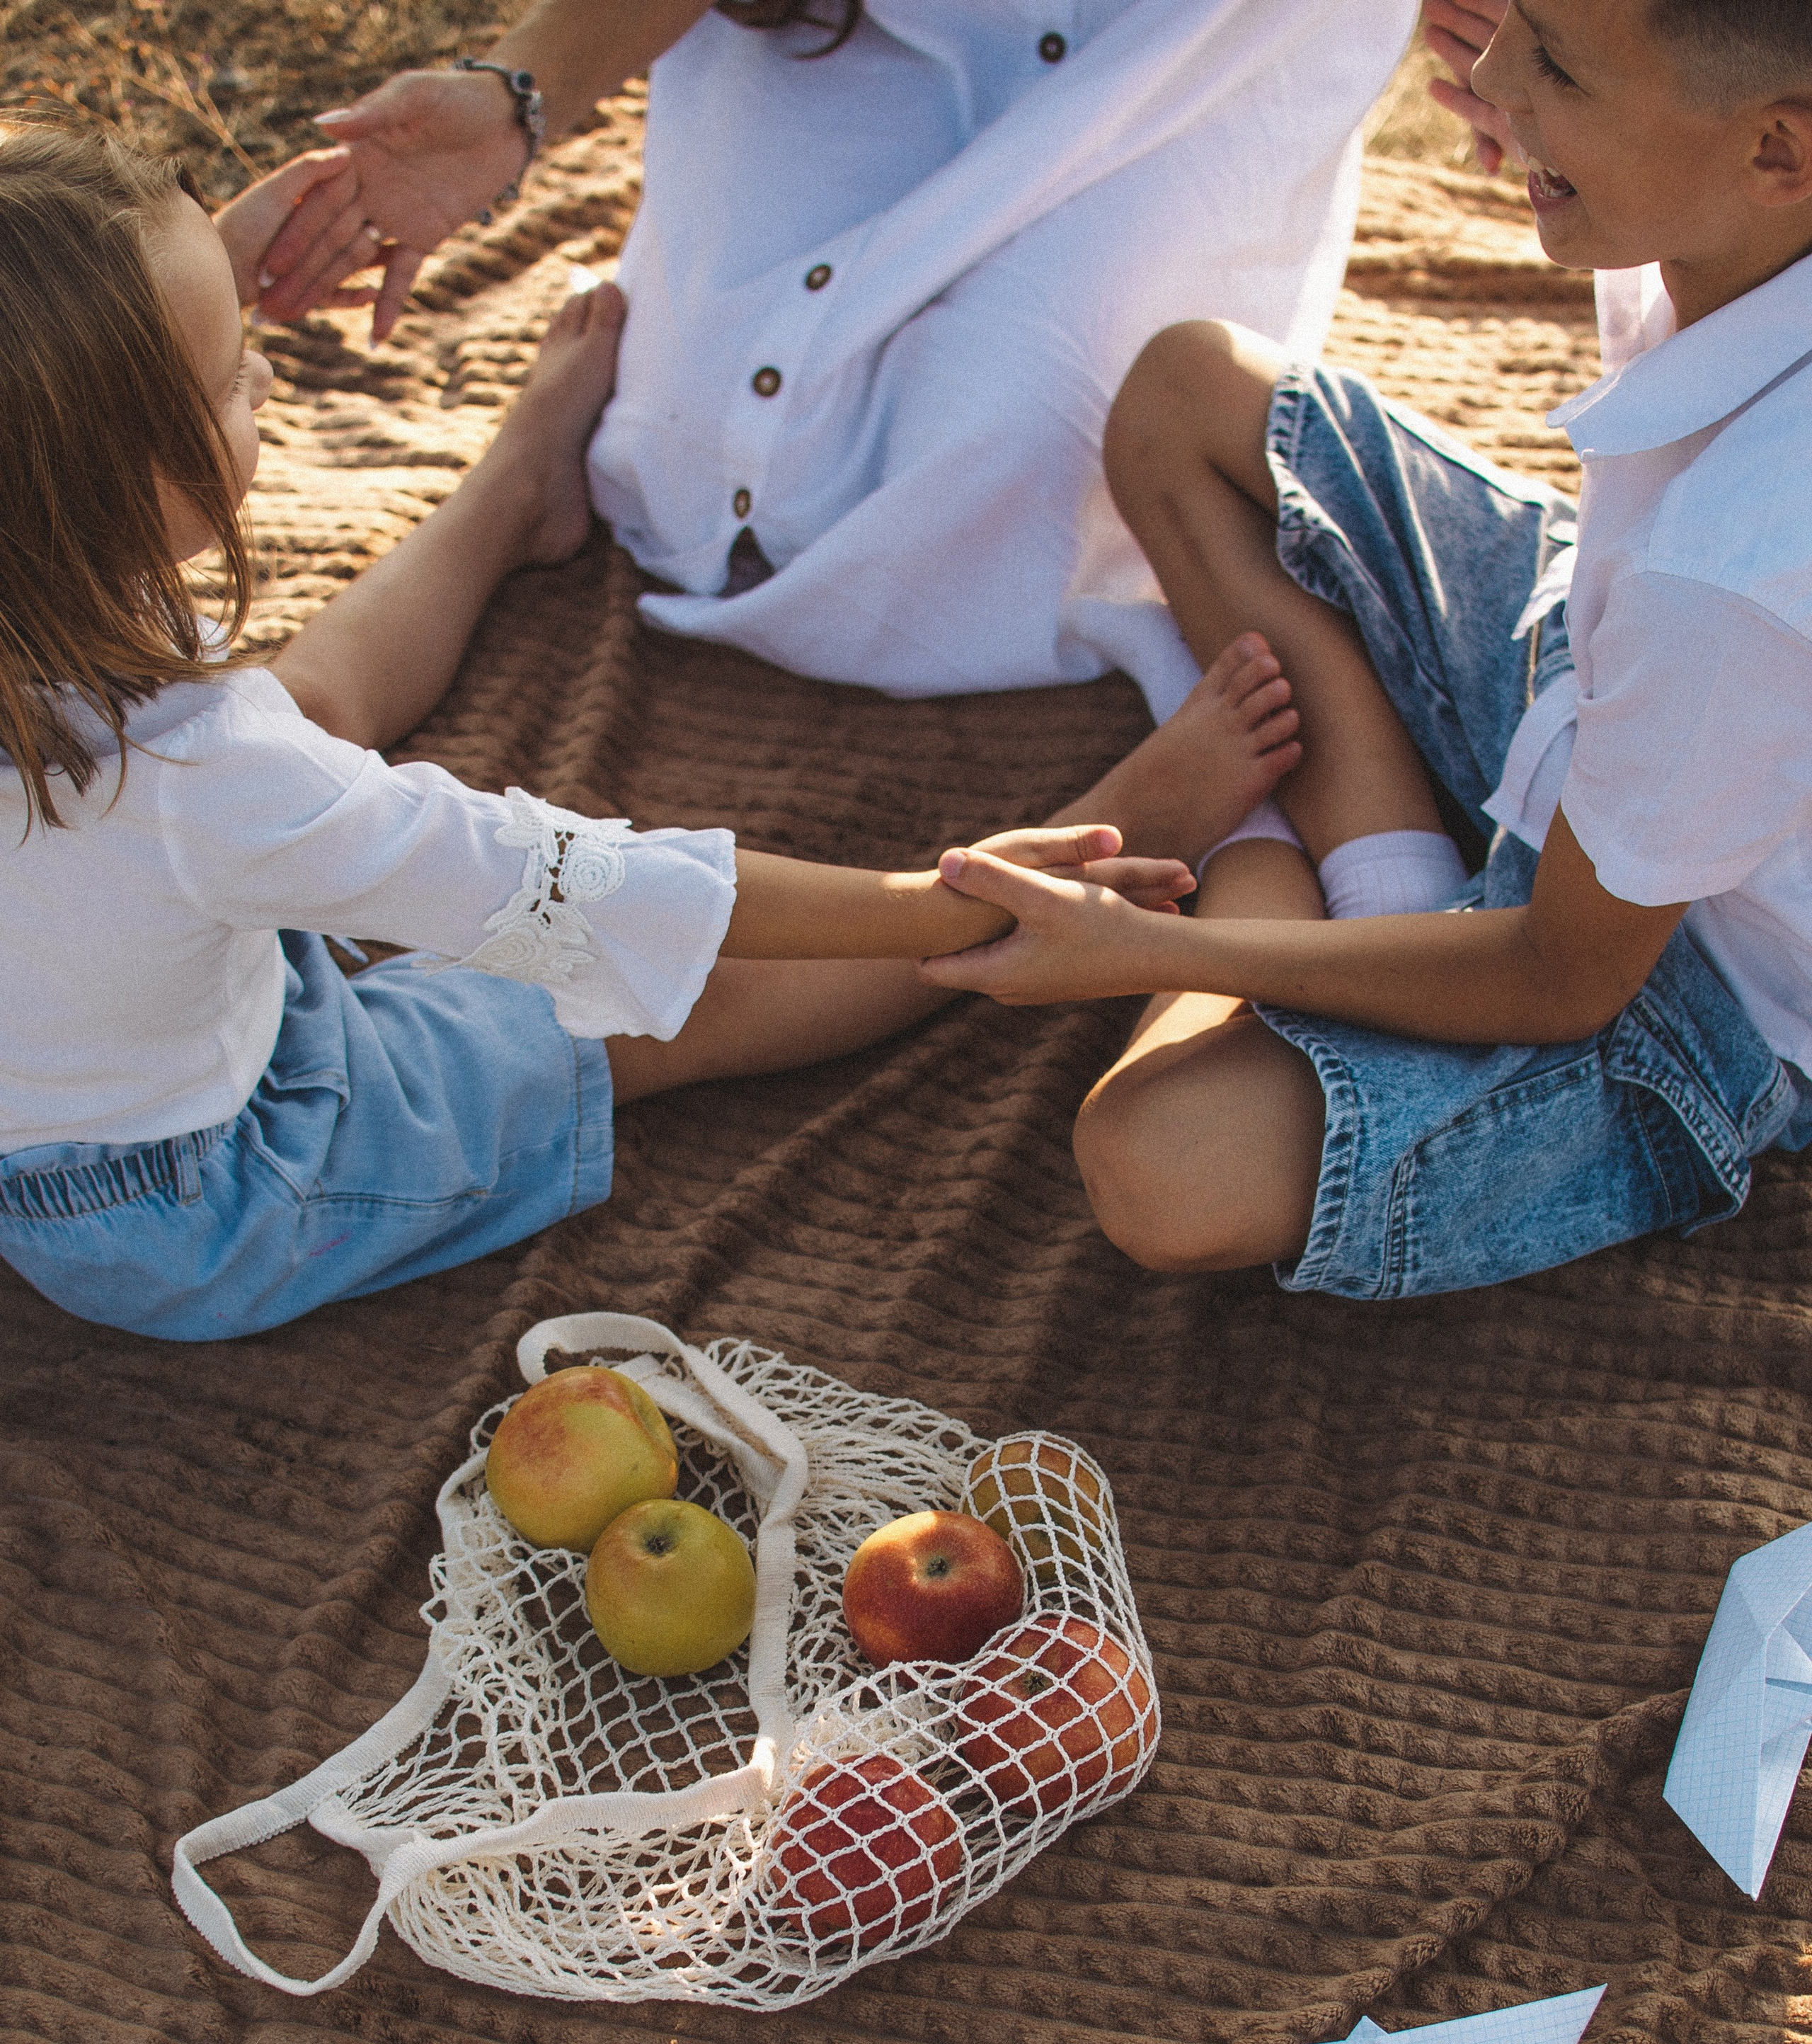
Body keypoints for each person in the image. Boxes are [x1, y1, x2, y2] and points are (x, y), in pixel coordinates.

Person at [0, 120, 1264, 1344]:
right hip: (218, 1195)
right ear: (112, 469)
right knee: (658, 999)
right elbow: (569, 890)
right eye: (230, 375)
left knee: (307, 719)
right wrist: (923, 906)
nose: (267, 370)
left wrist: (155, 281)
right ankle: (1043, 877)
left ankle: (515, 489)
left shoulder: (48, 572)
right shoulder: (196, 774)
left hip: (62, 1096)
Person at [916, 0, 1812, 1303]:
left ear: (1779, 154)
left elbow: (1563, 974)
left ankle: (1305, 861)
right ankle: (1396, 879)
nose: (1495, 70)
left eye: (1554, 62)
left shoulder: (1740, 565)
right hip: (1611, 668)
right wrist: (1563, 149)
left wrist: (1168, 950)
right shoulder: (1744, 213)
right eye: (1519, 20)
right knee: (1189, 390)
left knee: (1160, 1161)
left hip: (1695, 970)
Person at [244, 0, 1419, 713]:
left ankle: (517, 485)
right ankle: (519, 481)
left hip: (1179, 53)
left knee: (1010, 462)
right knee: (699, 448)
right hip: (875, 24)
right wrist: (517, 100)